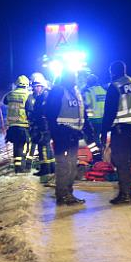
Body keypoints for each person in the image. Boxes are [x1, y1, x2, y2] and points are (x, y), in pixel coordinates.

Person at [45, 70, 95, 205]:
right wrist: (55, 132)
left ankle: (69, 193)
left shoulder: (76, 91)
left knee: (72, 165)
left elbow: (82, 113)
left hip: (73, 135)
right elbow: (49, 113)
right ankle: (62, 195)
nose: (74, 78)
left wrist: (89, 130)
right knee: (63, 165)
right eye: (72, 76)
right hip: (62, 135)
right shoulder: (58, 91)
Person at [101, 60, 131, 205]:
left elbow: (109, 112)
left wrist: (104, 132)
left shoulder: (115, 86)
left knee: (121, 163)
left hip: (121, 129)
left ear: (113, 72)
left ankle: (125, 196)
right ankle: (126, 193)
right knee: (126, 162)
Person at [3, 75, 35, 173]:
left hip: (12, 126)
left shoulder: (10, 94)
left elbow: (4, 101)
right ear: (27, 84)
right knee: (24, 147)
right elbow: (30, 110)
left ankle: (17, 167)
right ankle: (23, 168)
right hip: (23, 125)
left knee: (16, 146)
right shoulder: (28, 95)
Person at [29, 72, 55, 177]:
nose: (34, 89)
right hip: (45, 126)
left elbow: (43, 113)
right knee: (47, 147)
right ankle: (52, 167)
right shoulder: (45, 95)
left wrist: (40, 127)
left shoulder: (44, 96)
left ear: (41, 86)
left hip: (44, 127)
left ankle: (45, 169)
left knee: (43, 148)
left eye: (35, 87)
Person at [82, 72, 107, 158]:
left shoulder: (88, 91)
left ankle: (97, 156)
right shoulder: (103, 90)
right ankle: (102, 154)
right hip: (103, 118)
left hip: (93, 119)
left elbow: (86, 103)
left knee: (91, 138)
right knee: (99, 137)